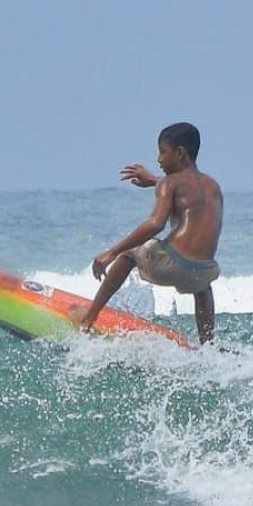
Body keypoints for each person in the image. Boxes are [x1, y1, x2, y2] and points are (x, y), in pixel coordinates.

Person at [71, 122, 224, 344]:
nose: (158, 159)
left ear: (180, 153)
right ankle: (208, 345)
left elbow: (156, 223)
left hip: (173, 265)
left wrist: (110, 254)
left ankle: (87, 318)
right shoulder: (213, 186)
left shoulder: (169, 182)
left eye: (162, 151)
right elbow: (187, 190)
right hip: (206, 270)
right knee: (202, 288)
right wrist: (153, 180)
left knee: (130, 253)